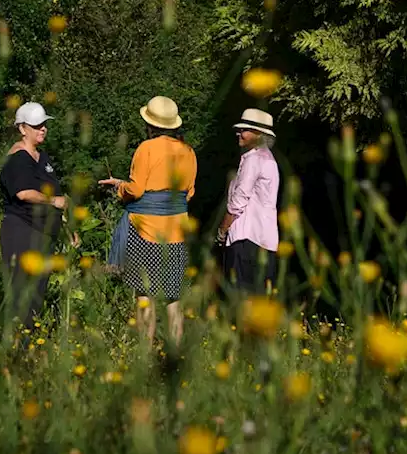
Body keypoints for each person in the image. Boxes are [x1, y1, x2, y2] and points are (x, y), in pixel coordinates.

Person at [99, 96, 197, 347]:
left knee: (145, 294)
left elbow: (137, 190)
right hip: (177, 229)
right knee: (174, 296)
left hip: (146, 230)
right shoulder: (188, 151)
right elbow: (189, 193)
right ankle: (175, 352)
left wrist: (120, 188)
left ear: (150, 124)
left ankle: (144, 351)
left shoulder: (146, 148)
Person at [0, 101, 67, 327]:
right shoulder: (17, 159)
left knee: (37, 292)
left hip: (43, 232)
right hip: (22, 230)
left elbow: (56, 194)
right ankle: (16, 345)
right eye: (37, 125)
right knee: (23, 293)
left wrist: (67, 227)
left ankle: (29, 345)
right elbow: (24, 193)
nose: (43, 129)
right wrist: (54, 201)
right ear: (22, 128)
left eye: (44, 124)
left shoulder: (42, 158)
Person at [217, 108, 280, 294]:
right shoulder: (268, 159)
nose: (239, 133)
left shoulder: (254, 160)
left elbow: (238, 200)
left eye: (244, 130)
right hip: (264, 238)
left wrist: (222, 230)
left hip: (247, 238)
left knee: (241, 295)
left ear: (258, 134)